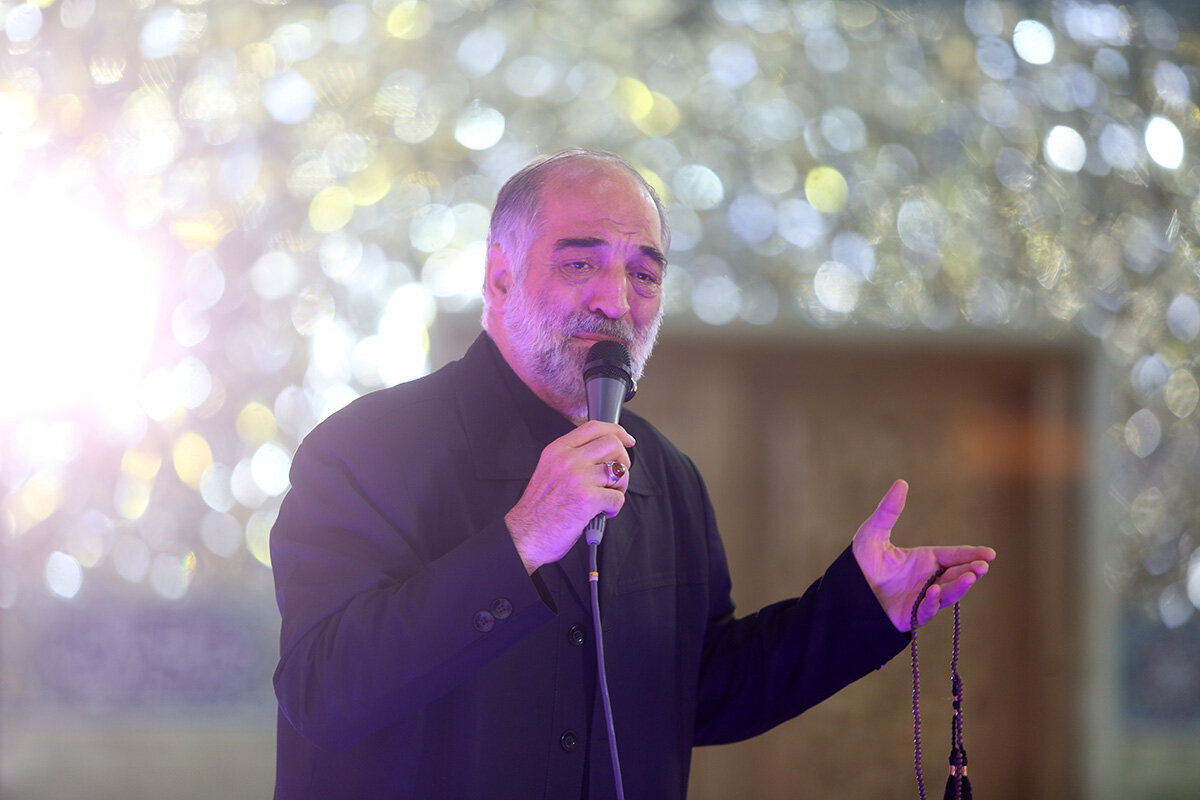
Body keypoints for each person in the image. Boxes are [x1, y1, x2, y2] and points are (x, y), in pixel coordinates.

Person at [269, 149, 995, 799]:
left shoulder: (666, 478)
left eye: (643, 274)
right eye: (579, 264)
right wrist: (522, 540)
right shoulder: (364, 449)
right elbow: (321, 694)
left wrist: (860, 609)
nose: (615, 302)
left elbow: (695, 691)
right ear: (499, 276)